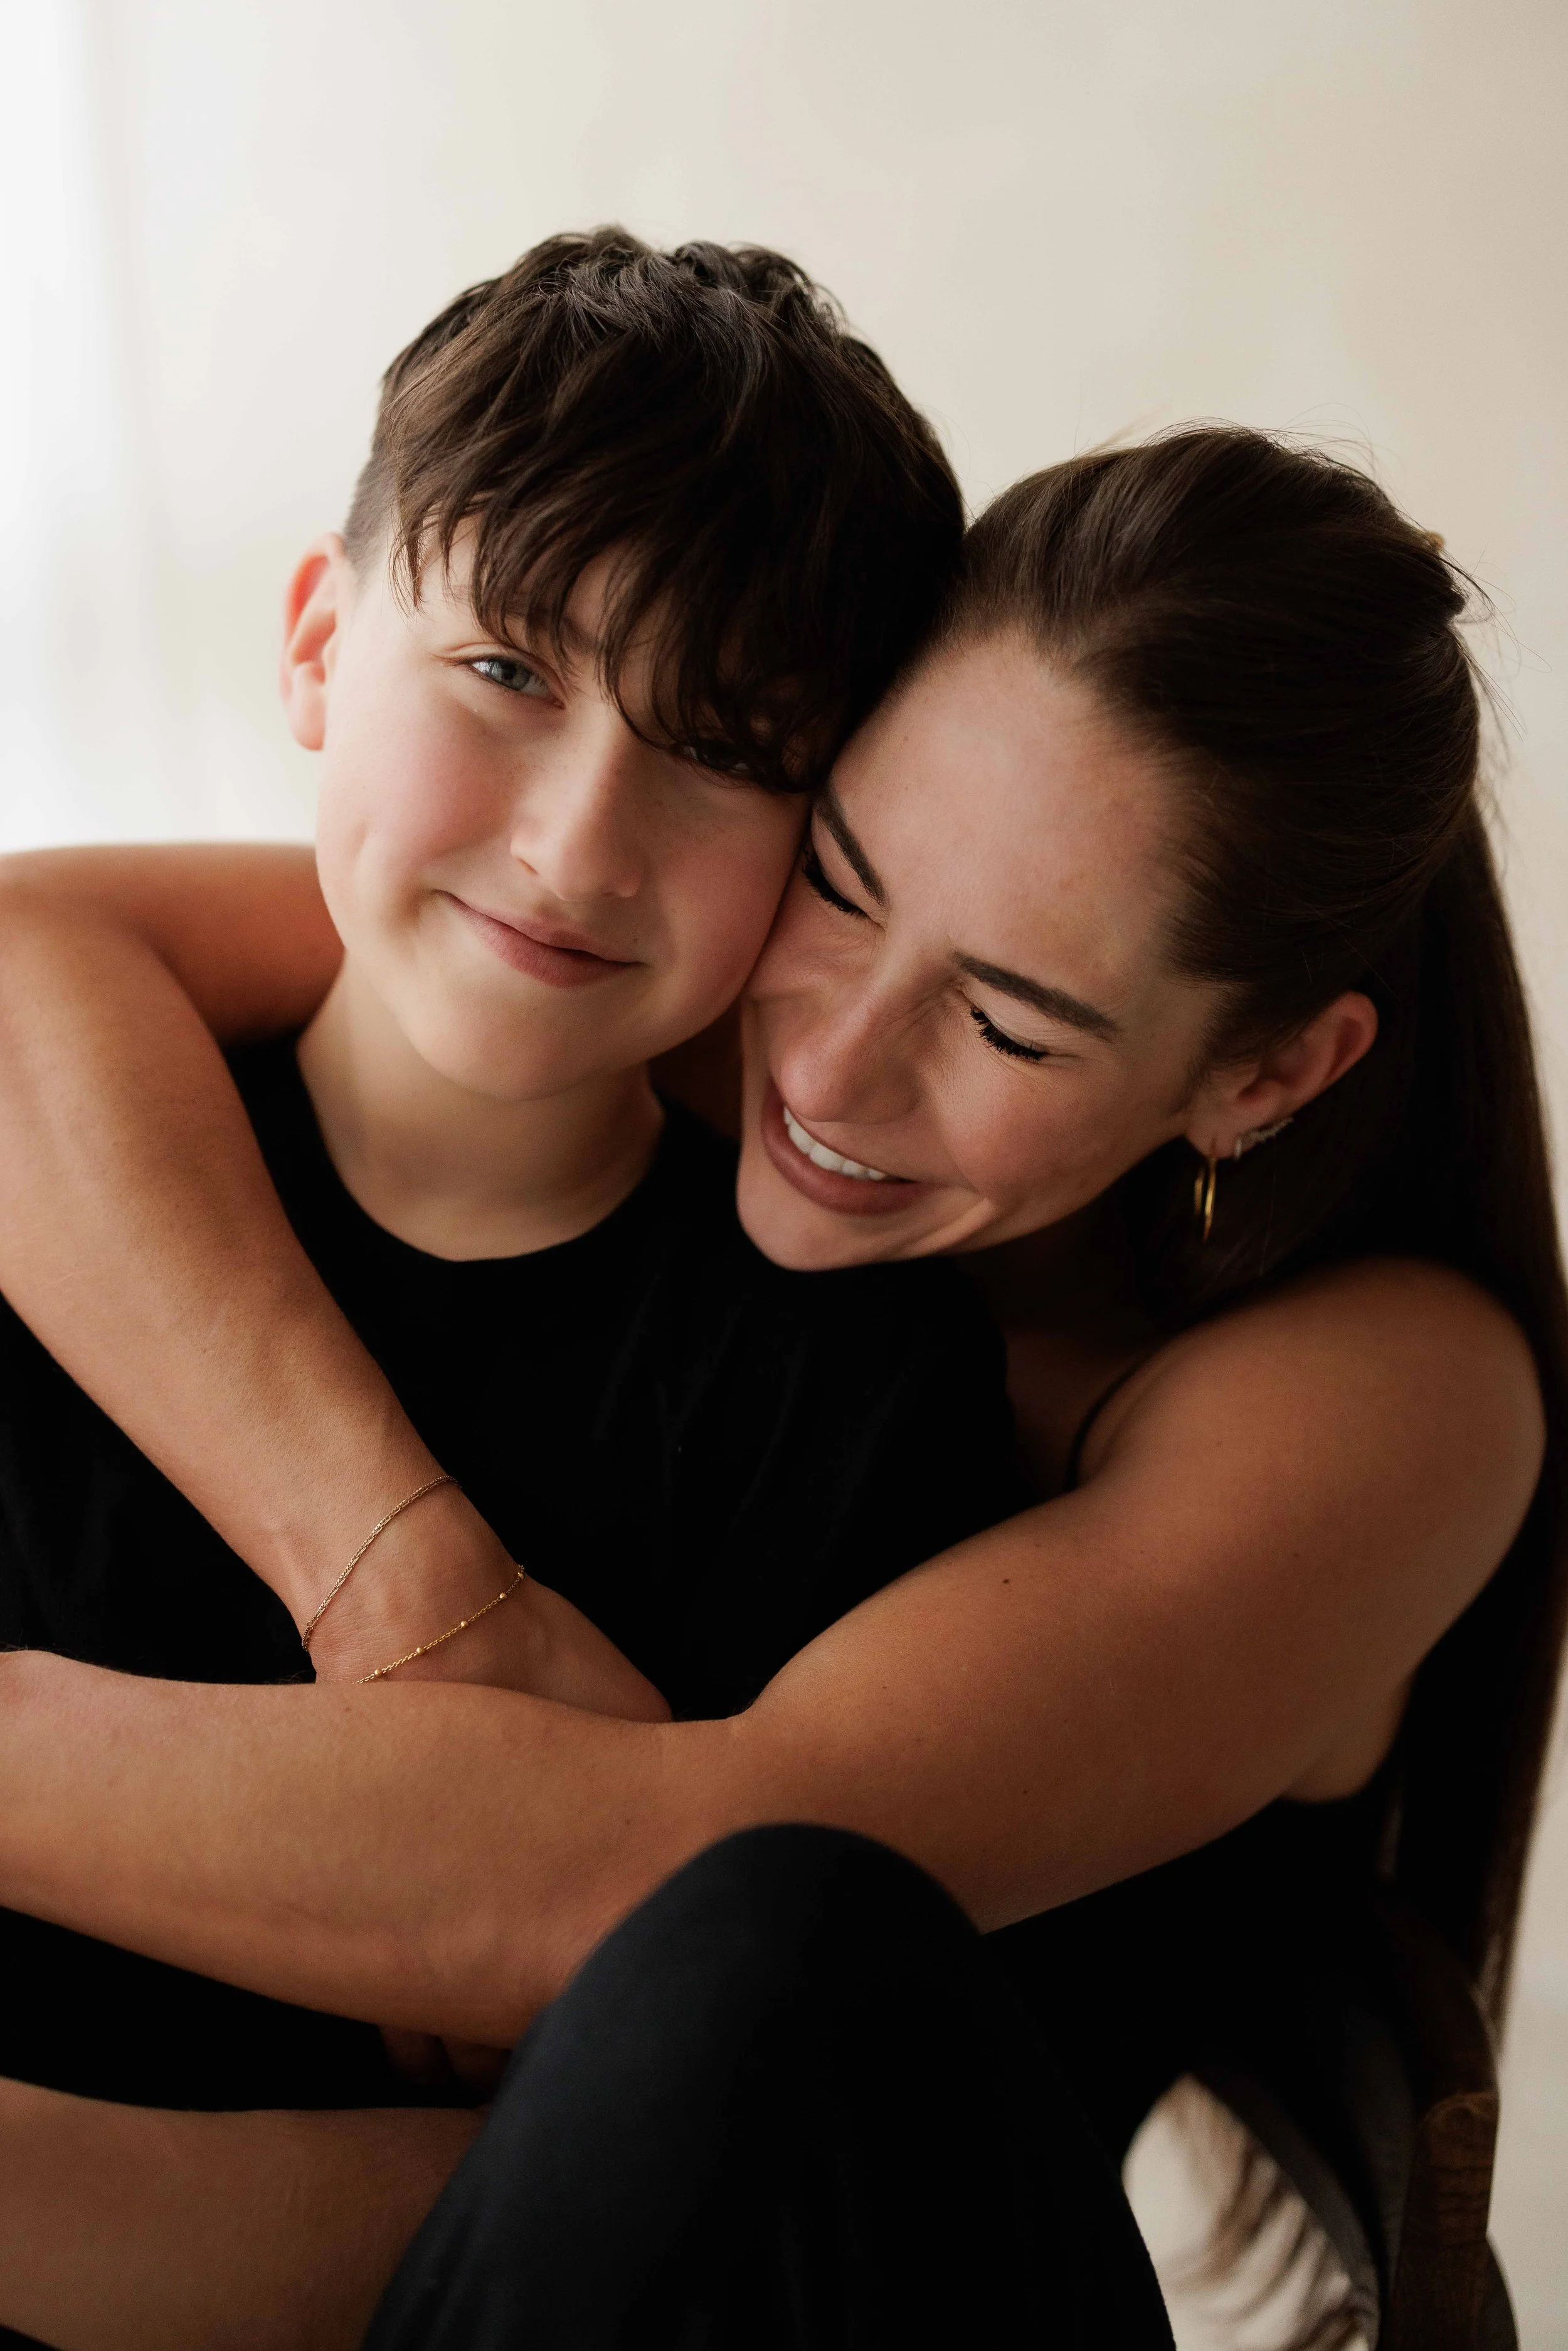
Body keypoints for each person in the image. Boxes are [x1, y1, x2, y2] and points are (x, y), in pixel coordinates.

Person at [0, 427, 1560, 2347]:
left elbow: (666, 1913)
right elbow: (29, 959)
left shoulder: (1393, 1397)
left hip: (879, 2277)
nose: (829, 1068)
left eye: (1005, 1019)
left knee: (770, 1940)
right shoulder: (729, 1048)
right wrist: (387, 1566)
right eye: (836, 880)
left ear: (1264, 1078)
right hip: (513, 2256)